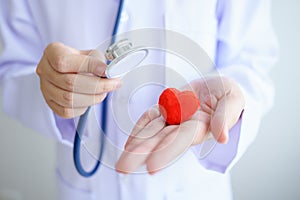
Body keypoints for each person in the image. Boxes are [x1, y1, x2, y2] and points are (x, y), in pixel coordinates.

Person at [0, 0, 278, 199]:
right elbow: (10, 70)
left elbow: (252, 60)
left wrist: (235, 94)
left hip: (193, 188)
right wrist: (51, 88)